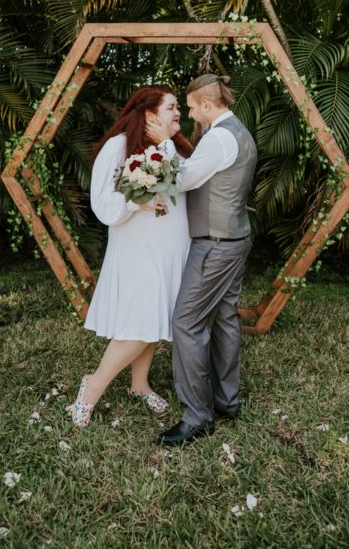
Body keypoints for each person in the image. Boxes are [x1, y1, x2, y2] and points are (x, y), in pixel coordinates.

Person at [69, 86, 195, 427]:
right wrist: (133, 202)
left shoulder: (178, 149)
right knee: (139, 323)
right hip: (138, 249)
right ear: (150, 113)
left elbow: (186, 184)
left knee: (154, 320)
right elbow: (102, 203)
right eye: (171, 107)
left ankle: (139, 385)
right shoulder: (118, 146)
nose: (178, 113)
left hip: (171, 248)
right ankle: (92, 387)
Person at [148, 74, 258, 446]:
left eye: (192, 107)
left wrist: (164, 145)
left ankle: (197, 415)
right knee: (225, 317)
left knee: (186, 322)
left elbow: (182, 180)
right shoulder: (238, 132)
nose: (190, 113)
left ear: (208, 105)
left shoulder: (218, 138)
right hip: (235, 237)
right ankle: (226, 402)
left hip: (215, 244)